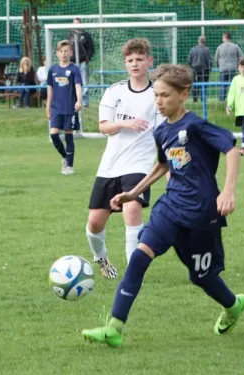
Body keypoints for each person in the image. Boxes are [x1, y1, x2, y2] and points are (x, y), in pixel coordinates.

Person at [82, 64, 244, 347]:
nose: (158, 101)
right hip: (170, 207)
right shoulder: (161, 132)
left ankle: (233, 305)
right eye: (156, 95)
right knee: (138, 258)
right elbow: (161, 165)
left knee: (202, 278)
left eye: (165, 96)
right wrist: (133, 194)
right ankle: (114, 328)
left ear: (184, 94)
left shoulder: (195, 125)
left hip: (201, 213)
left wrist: (228, 191)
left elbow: (230, 147)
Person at [86, 38, 164, 279]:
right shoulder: (115, 91)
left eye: (139, 59)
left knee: (132, 209)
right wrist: (125, 123)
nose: (134, 64)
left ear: (149, 61)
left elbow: (163, 133)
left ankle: (133, 271)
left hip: (139, 164)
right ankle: (101, 258)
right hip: (110, 165)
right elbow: (104, 127)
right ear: (125, 64)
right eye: (130, 60)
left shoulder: (157, 94)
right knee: (95, 222)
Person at [46, 40, 83, 176]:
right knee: (54, 135)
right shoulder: (53, 70)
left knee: (68, 136)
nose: (64, 54)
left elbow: (78, 86)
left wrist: (79, 100)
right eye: (61, 51)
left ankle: (70, 166)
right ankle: (65, 158)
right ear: (57, 53)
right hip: (56, 108)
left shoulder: (74, 69)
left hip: (69, 108)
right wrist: (48, 107)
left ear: (71, 53)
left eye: (66, 51)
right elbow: (50, 90)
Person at [68, 17, 94, 107]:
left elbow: (91, 49)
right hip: (73, 63)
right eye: (74, 23)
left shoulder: (86, 35)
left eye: (77, 23)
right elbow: (68, 48)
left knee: (85, 82)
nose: (76, 26)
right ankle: (74, 100)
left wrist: (87, 59)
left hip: (83, 62)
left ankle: (85, 102)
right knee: (73, 81)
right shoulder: (70, 35)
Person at [215, 32, 244, 101]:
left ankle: (221, 100)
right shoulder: (235, 46)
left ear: (225, 37)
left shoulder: (220, 47)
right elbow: (241, 57)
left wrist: (219, 66)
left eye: (223, 37)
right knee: (233, 85)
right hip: (232, 68)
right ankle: (233, 99)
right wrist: (238, 65)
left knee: (223, 85)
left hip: (223, 69)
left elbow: (216, 59)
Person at [188, 35, 212, 102]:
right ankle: (203, 99)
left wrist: (191, 67)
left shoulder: (193, 49)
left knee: (195, 84)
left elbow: (189, 60)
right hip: (204, 69)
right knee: (203, 85)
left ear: (198, 41)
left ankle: (195, 99)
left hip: (194, 69)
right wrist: (209, 69)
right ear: (205, 41)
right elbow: (209, 61)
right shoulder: (207, 50)